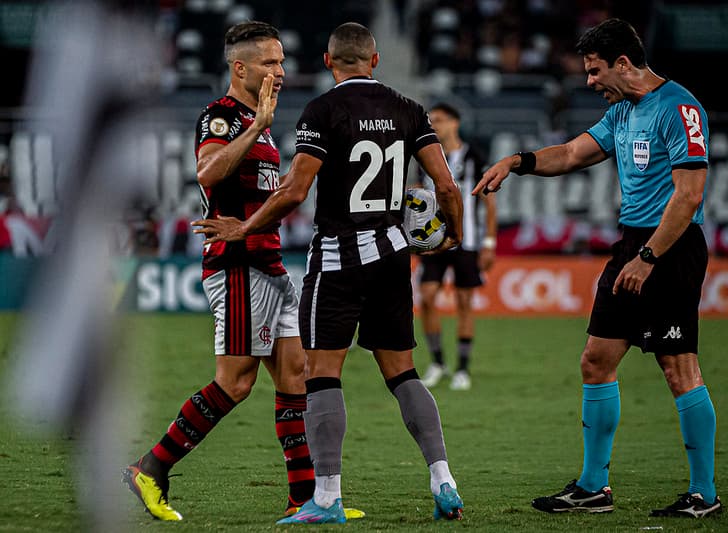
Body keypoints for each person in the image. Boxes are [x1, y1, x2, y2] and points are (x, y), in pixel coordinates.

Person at [193, 22, 466, 525]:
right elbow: (445, 185)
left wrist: (243, 228)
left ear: (327, 61)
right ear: (375, 60)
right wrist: (453, 236)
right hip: (392, 255)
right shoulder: (409, 110)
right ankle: (443, 479)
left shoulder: (322, 110)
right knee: (403, 373)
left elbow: (294, 192)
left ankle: (324, 498)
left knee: (320, 375)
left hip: (339, 258)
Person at [474, 18, 721, 518]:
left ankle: (704, 494)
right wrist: (516, 162)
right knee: (596, 359)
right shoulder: (623, 112)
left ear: (624, 64)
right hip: (631, 243)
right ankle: (593, 487)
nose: (588, 81)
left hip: (668, 249)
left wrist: (649, 258)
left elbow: (690, 193)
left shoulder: (680, 107)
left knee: (679, 368)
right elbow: (568, 153)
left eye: (594, 71)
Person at [122, 21, 319, 521]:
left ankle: (306, 499)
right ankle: (150, 468)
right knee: (234, 383)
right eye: (270, 62)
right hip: (236, 267)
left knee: (296, 375)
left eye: (281, 61)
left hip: (269, 262)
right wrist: (254, 127)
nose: (280, 70)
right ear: (241, 67)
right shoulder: (222, 116)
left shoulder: (265, 121)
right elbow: (207, 173)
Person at [417, 103, 497, 391]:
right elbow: (416, 194)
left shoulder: (474, 156)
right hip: (435, 242)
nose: (434, 125)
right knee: (427, 297)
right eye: (431, 120)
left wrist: (489, 243)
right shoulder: (424, 155)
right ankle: (438, 362)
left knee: (464, 302)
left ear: (455, 123)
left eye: (439, 120)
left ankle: (462, 369)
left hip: (468, 241)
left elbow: (489, 202)